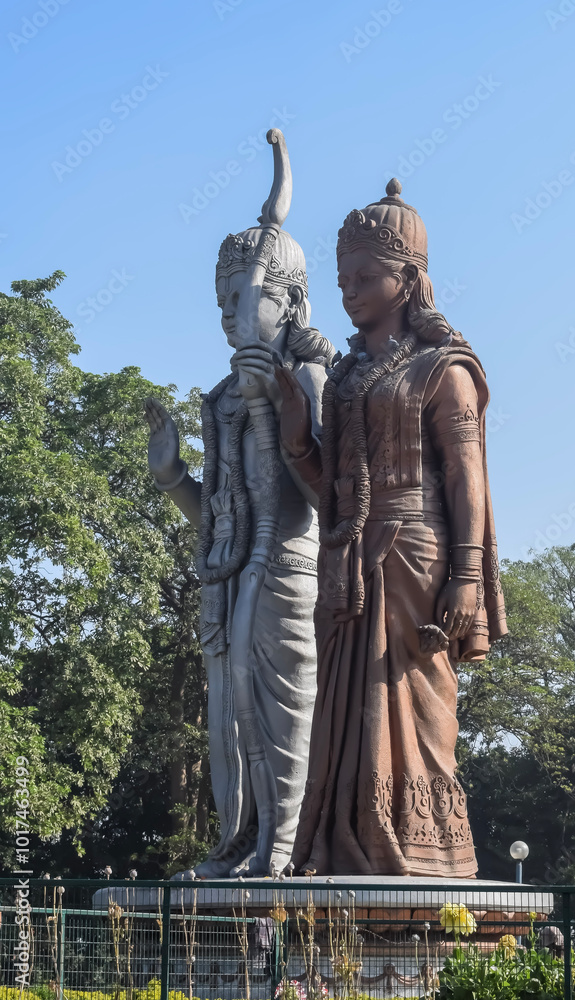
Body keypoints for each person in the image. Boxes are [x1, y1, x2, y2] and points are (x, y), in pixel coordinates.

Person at [271, 179, 508, 876]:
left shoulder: (444, 369)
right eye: (342, 277)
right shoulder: (346, 377)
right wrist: (297, 443)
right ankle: (343, 842)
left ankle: (422, 850)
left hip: (416, 558)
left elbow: (467, 478)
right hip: (346, 565)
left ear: (406, 280)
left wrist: (466, 575)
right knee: (341, 716)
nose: (349, 289)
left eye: (364, 276)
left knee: (411, 706)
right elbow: (333, 499)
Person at [144, 226, 333, 876]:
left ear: (293, 304)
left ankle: (285, 845)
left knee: (282, 713)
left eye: (248, 300)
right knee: (227, 719)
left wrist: (276, 399)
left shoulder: (309, 376)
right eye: (224, 304)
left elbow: (319, 490)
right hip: (225, 582)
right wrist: (172, 479)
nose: (232, 317)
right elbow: (218, 516)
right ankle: (238, 840)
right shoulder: (222, 397)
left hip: (285, 569)